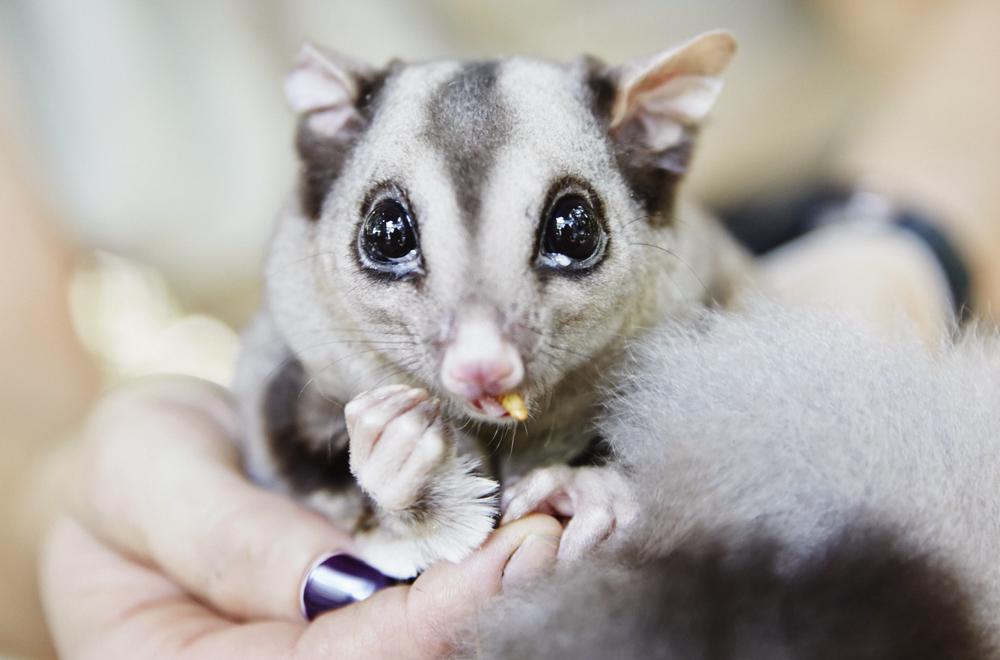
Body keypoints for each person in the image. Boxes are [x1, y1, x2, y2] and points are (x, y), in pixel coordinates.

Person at [4, 1, 1000, 657]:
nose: (482, 358)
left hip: (824, 249)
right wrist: (80, 513)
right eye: (390, 236)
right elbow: (26, 437)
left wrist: (896, 246)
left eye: (565, 230)